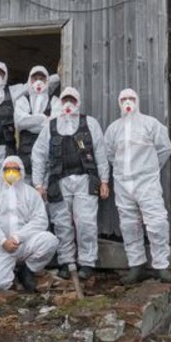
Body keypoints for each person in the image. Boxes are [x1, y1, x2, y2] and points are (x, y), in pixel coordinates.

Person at [31, 86, 109, 280]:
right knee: (61, 224)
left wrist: (105, 181)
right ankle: (67, 262)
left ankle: (87, 263)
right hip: (58, 180)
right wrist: (38, 184)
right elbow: (38, 155)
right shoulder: (50, 126)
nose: (68, 105)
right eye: (65, 100)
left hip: (85, 179)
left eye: (72, 101)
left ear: (78, 103)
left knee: (86, 223)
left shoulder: (90, 123)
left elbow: (100, 153)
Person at [104, 88, 171, 283]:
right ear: (119, 102)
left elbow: (165, 148)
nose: (128, 102)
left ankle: (161, 266)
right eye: (124, 99)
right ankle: (136, 266)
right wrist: (122, 171)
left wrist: (150, 168)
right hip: (123, 183)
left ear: (137, 101)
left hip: (147, 182)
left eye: (131, 98)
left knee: (157, 222)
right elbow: (110, 154)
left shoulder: (150, 124)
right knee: (129, 225)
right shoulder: (113, 129)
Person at [0, 156, 58, 291]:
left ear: (22, 171)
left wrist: (18, 237)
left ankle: (27, 269)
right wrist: (2, 240)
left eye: (15, 169)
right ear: (2, 171)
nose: (11, 172)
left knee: (50, 241)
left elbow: (40, 220)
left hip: (24, 243)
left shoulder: (31, 193)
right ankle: (8, 272)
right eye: (7, 169)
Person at [14, 65, 61, 185]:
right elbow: (19, 122)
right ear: (30, 80)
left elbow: (55, 124)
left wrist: (30, 123)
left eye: (42, 78)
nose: (38, 82)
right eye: (35, 78)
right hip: (25, 154)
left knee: (45, 190)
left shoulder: (55, 100)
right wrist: (43, 118)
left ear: (47, 81)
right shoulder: (23, 100)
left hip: (48, 154)